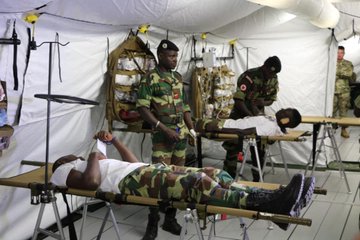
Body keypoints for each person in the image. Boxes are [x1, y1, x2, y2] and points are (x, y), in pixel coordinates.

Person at [50, 131, 315, 232]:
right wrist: (94, 156)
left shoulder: (88, 162)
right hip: (133, 183)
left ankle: (275, 201)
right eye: (69, 156)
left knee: (213, 173)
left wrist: (114, 142)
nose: (74, 154)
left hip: (142, 170)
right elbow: (91, 183)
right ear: (62, 162)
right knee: (198, 183)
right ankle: (272, 203)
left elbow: (130, 162)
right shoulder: (63, 171)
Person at [136, 39, 195, 239]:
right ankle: (152, 224)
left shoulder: (177, 77)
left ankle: (170, 219)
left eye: (176, 56)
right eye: (171, 56)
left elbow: (185, 106)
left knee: (177, 178)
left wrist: (192, 129)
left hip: (181, 136)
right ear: (160, 56)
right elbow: (142, 108)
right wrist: (161, 127)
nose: (174, 60)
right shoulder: (150, 79)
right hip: (163, 136)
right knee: (157, 179)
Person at [222, 56, 282, 181]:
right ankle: (227, 180)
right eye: (270, 73)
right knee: (233, 148)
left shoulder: (273, 78)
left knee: (260, 150)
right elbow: (238, 100)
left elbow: (271, 99)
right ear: (264, 66)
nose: (271, 76)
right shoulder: (249, 76)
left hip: (258, 116)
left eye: (274, 74)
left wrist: (263, 102)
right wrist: (250, 115)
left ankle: (258, 180)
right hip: (240, 114)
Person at [196, 108, 302, 136]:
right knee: (193, 122)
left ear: (285, 121)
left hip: (223, 125)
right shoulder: (273, 120)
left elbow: (245, 132)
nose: (282, 110)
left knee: (192, 124)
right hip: (227, 122)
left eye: (284, 112)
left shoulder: (270, 127)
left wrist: (219, 129)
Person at [333, 46, 354, 138]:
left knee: (344, 111)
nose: (339, 54)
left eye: (341, 52)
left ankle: (344, 130)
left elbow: (349, 74)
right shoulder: (331, 63)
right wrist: (341, 73)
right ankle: (332, 129)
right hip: (332, 91)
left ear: (344, 53)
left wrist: (337, 73)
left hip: (344, 91)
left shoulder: (348, 63)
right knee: (331, 111)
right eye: (337, 52)